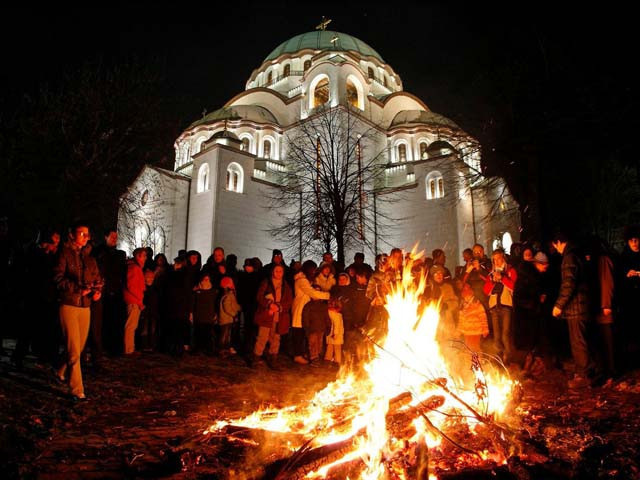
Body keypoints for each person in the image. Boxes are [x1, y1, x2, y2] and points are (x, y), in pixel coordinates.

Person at [53, 224, 102, 400]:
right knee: (74, 349)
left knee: (79, 347)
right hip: (69, 304)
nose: (85, 237)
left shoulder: (89, 259)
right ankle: (77, 390)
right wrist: (76, 289)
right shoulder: (64, 254)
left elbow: (97, 278)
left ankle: (60, 371)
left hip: (85, 307)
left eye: (87, 234)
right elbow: (58, 278)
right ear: (72, 235)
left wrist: (97, 291)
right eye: (81, 233)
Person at [13, 229, 60, 368]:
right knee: (27, 328)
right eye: (54, 243)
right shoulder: (33, 254)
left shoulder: (48, 255)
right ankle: (19, 355)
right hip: (33, 297)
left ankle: (39, 355)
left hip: (45, 298)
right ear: (47, 243)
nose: (56, 246)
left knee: (41, 329)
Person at [551, 232, 591, 388]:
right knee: (582, 340)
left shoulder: (569, 257)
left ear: (559, 241)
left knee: (578, 342)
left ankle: (583, 376)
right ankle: (586, 371)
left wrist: (559, 305)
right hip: (581, 305)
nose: (557, 249)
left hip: (576, 307)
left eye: (556, 246)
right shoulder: (577, 254)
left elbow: (569, 283)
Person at [91, 228, 126, 357]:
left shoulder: (119, 254)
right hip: (101, 291)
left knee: (113, 320)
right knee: (99, 322)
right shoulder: (98, 252)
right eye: (112, 237)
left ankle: (111, 347)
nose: (114, 240)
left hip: (115, 292)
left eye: (116, 238)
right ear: (106, 237)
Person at [253, 264, 293, 369]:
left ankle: (273, 359)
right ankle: (256, 358)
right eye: (276, 271)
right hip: (267, 315)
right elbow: (259, 296)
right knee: (262, 337)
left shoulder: (286, 285)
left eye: (280, 271)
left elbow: (289, 301)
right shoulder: (266, 283)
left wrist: (280, 307)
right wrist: (269, 304)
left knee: (275, 338)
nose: (278, 273)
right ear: (272, 272)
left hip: (278, 316)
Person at [291, 260, 330, 364]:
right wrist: (328, 295)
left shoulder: (307, 280)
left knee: (304, 332)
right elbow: (312, 293)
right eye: (313, 269)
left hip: (307, 307)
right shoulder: (302, 280)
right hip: (300, 307)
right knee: (298, 332)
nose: (314, 271)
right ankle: (297, 354)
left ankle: (302, 352)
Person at [483, 248, 517, 365]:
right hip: (494, 307)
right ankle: (499, 359)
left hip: (506, 306)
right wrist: (492, 281)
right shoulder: (491, 274)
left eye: (498, 259)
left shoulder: (510, 271)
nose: (496, 261)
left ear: (503, 258)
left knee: (505, 334)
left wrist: (502, 278)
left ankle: (509, 358)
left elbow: (513, 286)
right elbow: (486, 290)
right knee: (497, 336)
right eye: (494, 260)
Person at [619, 225, 640, 368]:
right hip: (629, 299)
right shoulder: (623, 257)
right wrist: (626, 275)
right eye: (631, 240)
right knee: (630, 330)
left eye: (636, 239)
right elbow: (618, 277)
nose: (634, 242)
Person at [123, 248, 147, 356]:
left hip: (134, 300)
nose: (145, 258)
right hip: (133, 300)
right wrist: (139, 301)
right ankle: (128, 349)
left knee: (132, 325)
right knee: (131, 326)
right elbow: (132, 286)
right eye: (144, 255)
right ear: (138, 256)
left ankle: (130, 348)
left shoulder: (135, 267)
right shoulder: (134, 268)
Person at [190, 272, 218, 355]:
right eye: (204, 279)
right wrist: (191, 313)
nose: (206, 281)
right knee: (198, 333)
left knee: (208, 333)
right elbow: (192, 303)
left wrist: (216, 313)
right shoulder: (196, 291)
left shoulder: (213, 291)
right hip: (198, 315)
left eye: (207, 279)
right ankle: (197, 349)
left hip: (209, 315)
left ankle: (209, 349)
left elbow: (215, 303)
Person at [457, 282, 489, 351]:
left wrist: (485, 329)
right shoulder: (463, 306)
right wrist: (458, 331)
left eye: (468, 295)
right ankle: (469, 361)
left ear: (472, 294)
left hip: (476, 331)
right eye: (465, 296)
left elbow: (483, 317)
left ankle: (478, 361)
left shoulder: (477, 304)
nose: (466, 297)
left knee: (475, 348)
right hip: (467, 332)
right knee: (468, 348)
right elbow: (461, 320)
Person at [219, 276, 241, 357]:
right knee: (224, 336)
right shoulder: (228, 296)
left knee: (227, 336)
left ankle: (225, 349)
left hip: (227, 320)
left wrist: (239, 307)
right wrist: (234, 314)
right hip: (226, 320)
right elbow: (227, 308)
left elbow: (233, 305)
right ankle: (222, 350)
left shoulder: (228, 295)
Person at [324, 298, 344, 365]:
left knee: (330, 346)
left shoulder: (328, 312)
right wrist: (336, 334)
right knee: (337, 348)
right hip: (336, 334)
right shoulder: (336, 315)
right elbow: (337, 325)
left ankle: (327, 359)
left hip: (330, 333)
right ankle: (337, 361)